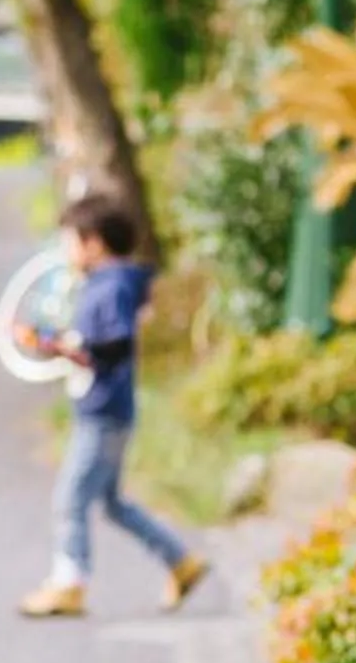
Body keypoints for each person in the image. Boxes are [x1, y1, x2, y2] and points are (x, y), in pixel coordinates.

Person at [15, 196, 210, 619]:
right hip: (105, 408)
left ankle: (69, 582)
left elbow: (117, 342)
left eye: (70, 241)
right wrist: (58, 347)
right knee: (113, 502)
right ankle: (180, 560)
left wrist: (76, 346)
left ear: (94, 243)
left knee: (70, 499)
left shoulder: (114, 284)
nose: (66, 252)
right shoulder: (106, 284)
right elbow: (98, 348)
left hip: (104, 413)